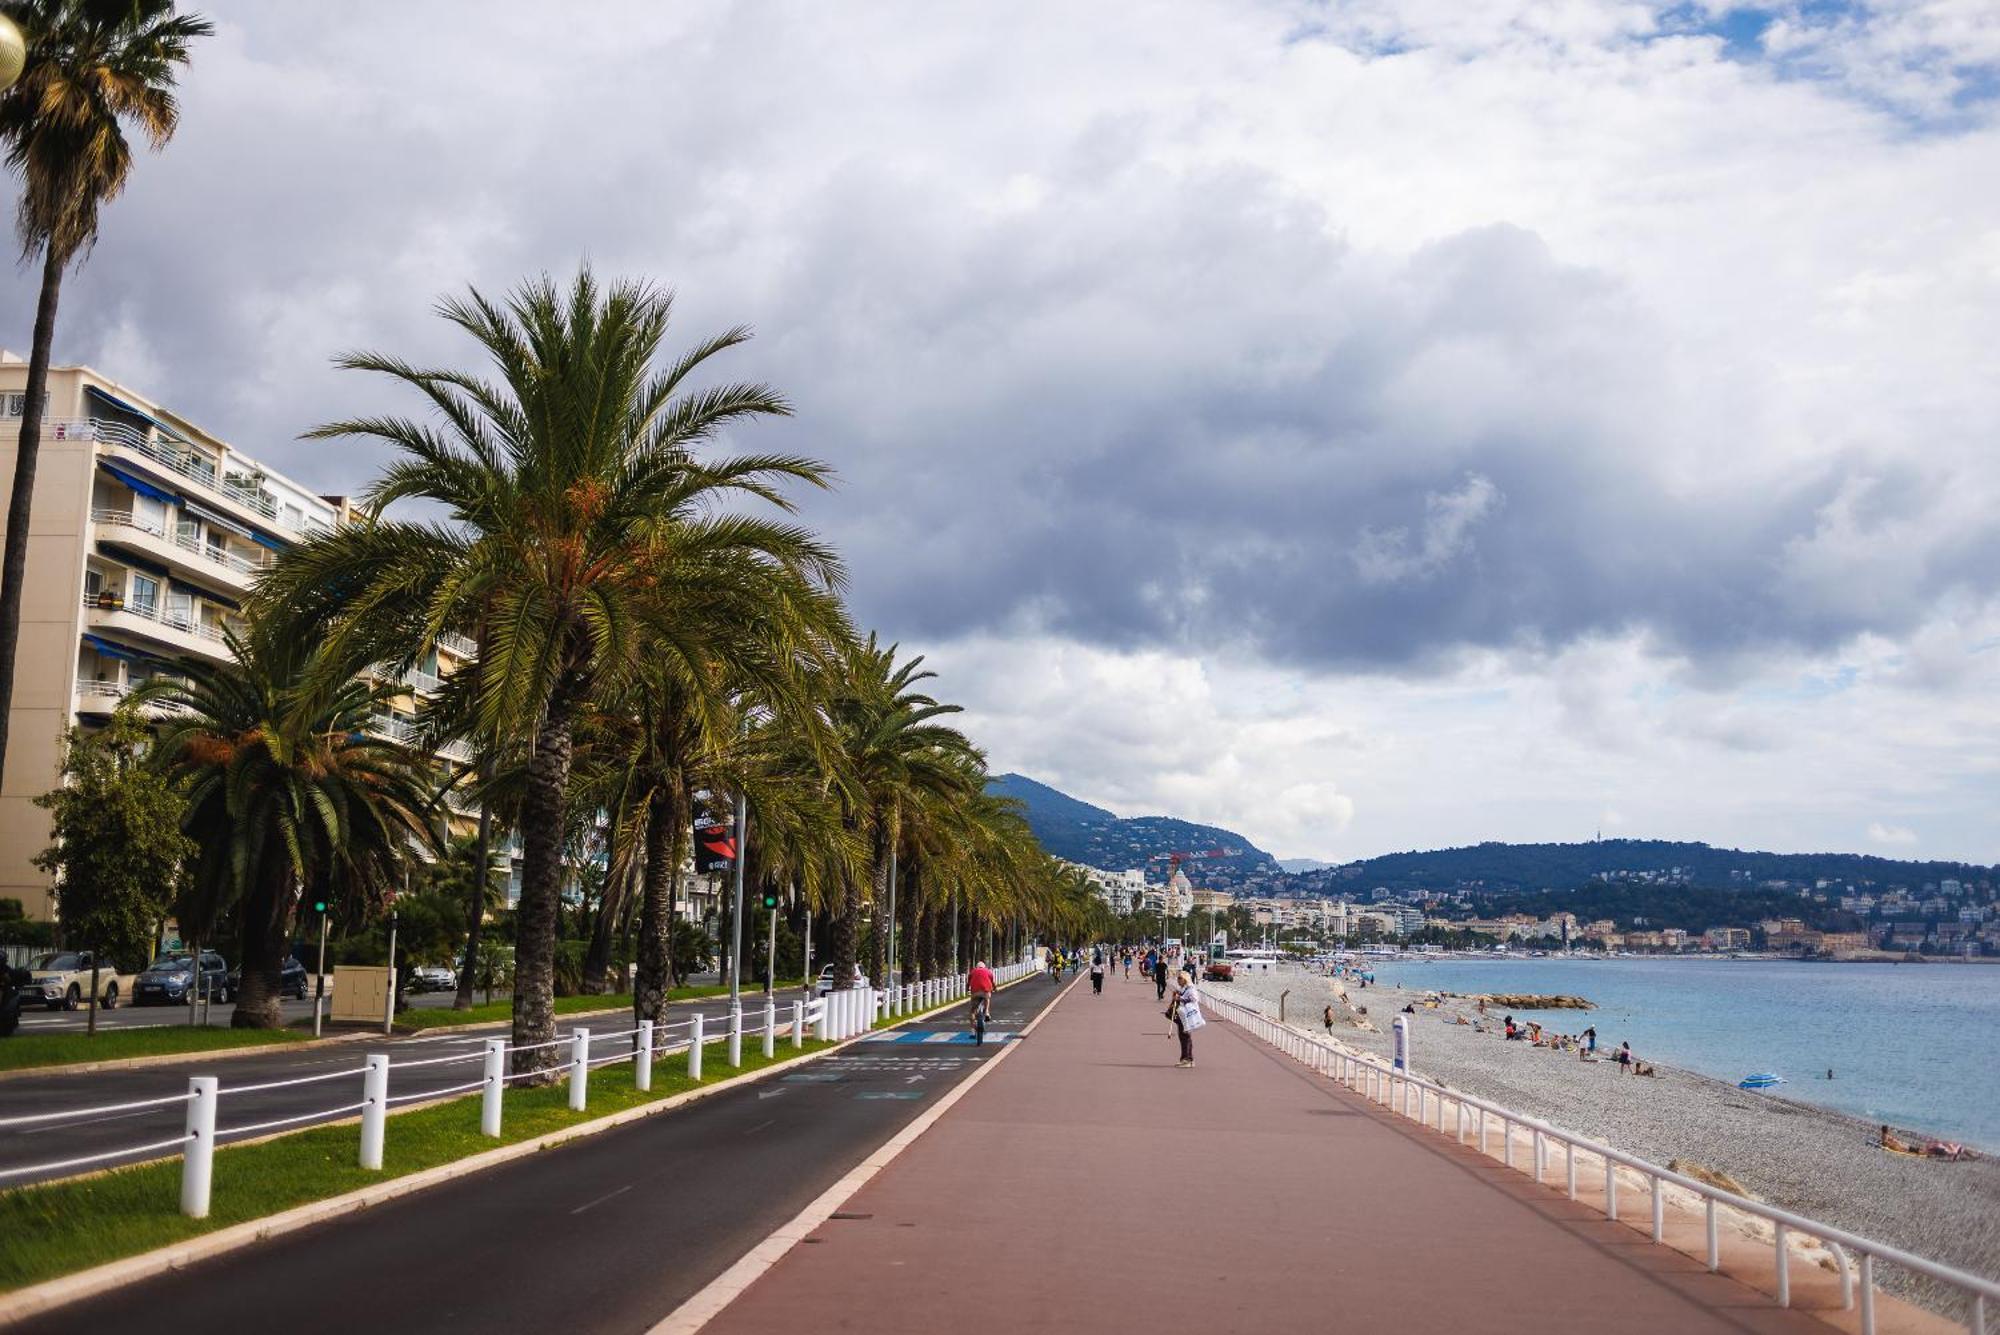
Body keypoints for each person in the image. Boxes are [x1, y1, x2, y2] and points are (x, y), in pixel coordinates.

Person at [1166, 969, 1202, 1067]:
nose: (1178, 980)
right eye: (1178, 978)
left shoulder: (1190, 989)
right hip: (1183, 1015)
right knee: (1184, 1036)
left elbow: (1194, 999)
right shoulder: (1185, 988)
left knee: (1185, 1037)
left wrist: (1180, 998)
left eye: (1180, 978)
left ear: (1185, 979)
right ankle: (1186, 1058)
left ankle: (1187, 1059)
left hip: (1187, 1015)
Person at [967, 959, 996, 1041]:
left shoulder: (973, 971)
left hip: (975, 992)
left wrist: (967, 989)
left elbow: (968, 983)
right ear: (984, 967)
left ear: (977, 967)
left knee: (972, 1011)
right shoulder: (988, 971)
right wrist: (994, 988)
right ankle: (986, 1012)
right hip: (985, 992)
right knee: (987, 998)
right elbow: (992, 982)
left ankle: (972, 1031)